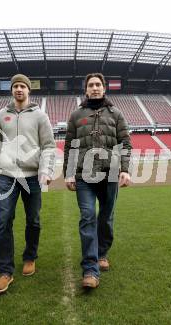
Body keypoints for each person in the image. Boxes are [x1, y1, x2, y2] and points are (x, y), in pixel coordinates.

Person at [0, 74, 55, 294]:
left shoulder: (40, 116)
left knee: (33, 220)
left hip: (32, 176)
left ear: (28, 90)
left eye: (22, 86)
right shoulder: (1, 115)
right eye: (15, 86)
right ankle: (5, 271)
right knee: (3, 220)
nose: (19, 89)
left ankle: (30, 257)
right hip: (7, 175)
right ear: (11, 90)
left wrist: (45, 170)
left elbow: (48, 146)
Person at [63, 73, 132, 289]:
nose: (94, 88)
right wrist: (68, 172)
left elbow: (125, 143)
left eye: (98, 85)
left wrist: (124, 169)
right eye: (91, 85)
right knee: (87, 217)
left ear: (104, 88)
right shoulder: (76, 115)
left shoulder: (116, 114)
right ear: (86, 90)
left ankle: (102, 253)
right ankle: (90, 269)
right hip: (84, 175)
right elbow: (69, 147)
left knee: (106, 217)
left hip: (110, 174)